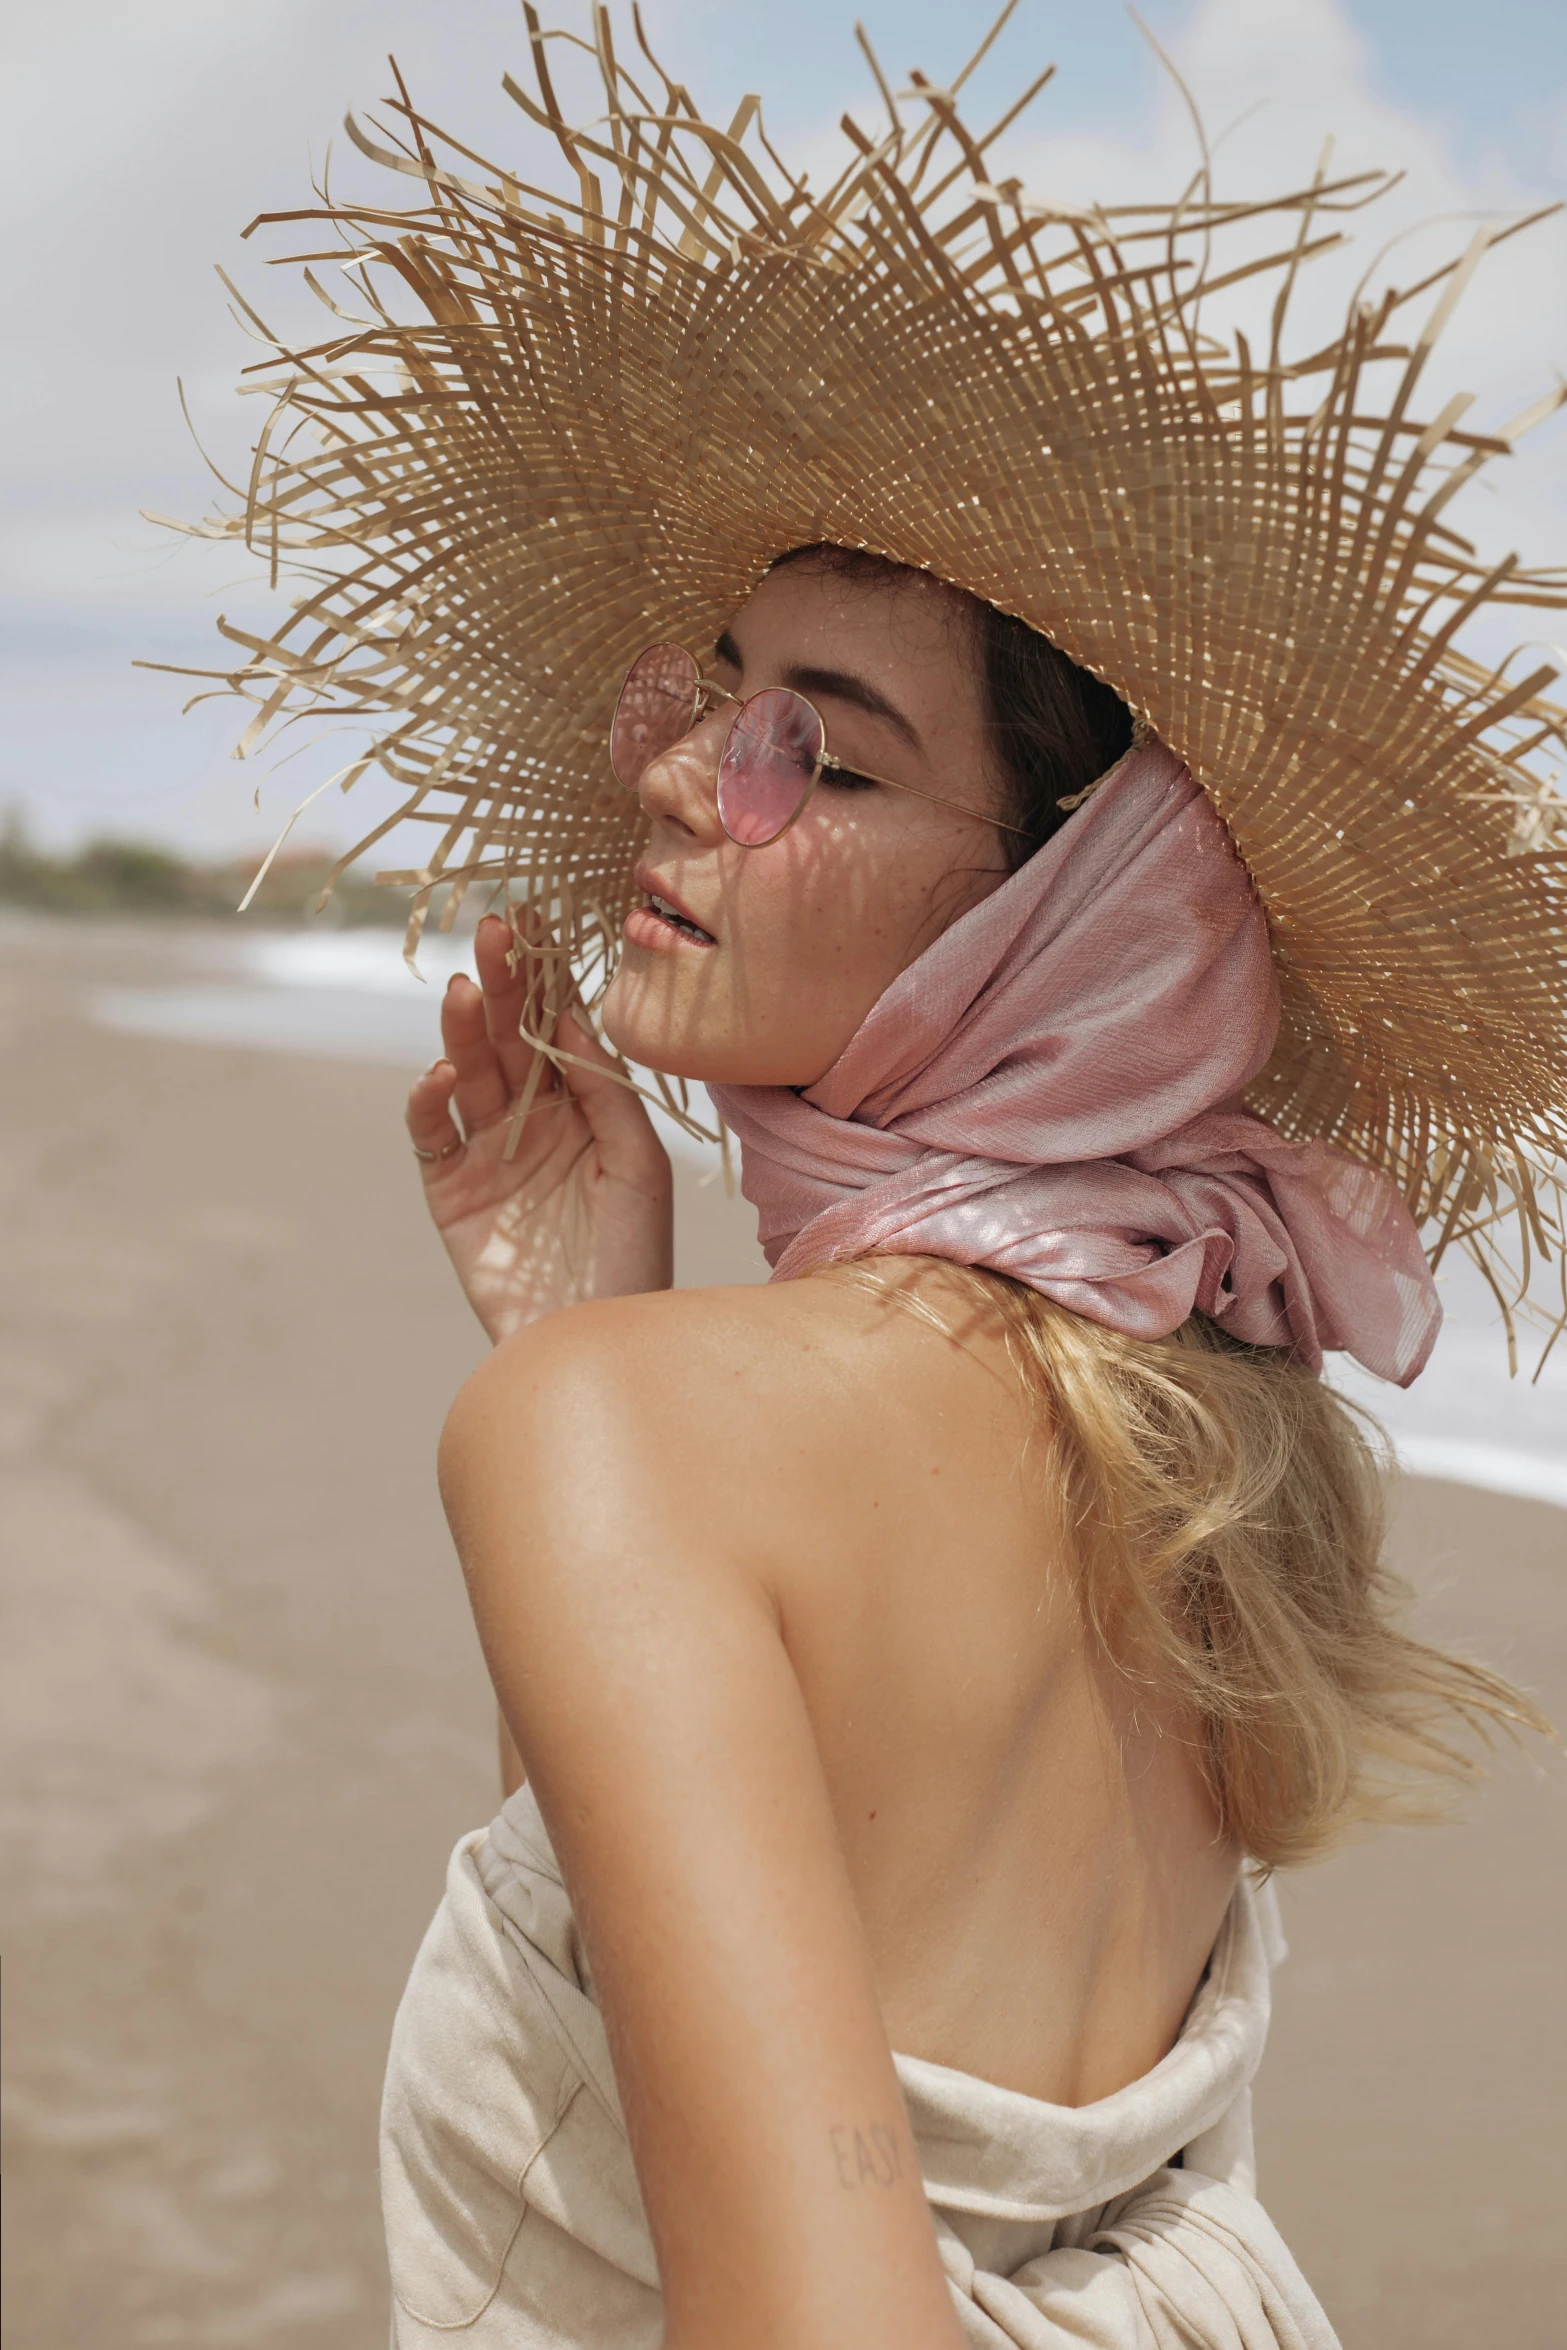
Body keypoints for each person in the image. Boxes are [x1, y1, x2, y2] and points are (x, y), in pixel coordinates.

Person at [170, 12, 1565, 2345]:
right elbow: (681, 2009)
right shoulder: (1199, 1433)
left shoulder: (640, 1446)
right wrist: (587, 1335)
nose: (686, 776)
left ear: (1059, 923)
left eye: (816, 746)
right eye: (715, 686)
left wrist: (587, 1407)